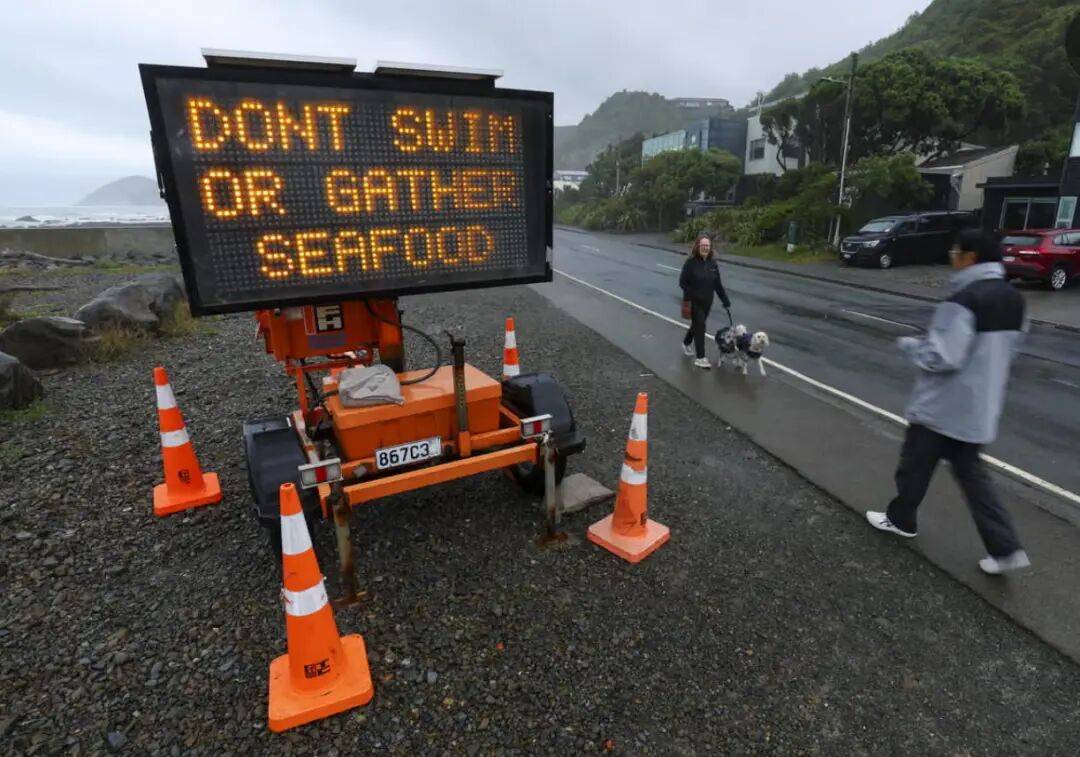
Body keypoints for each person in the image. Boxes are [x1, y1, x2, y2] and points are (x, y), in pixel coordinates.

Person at [866, 229, 1030, 575]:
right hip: (979, 408)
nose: (952, 257)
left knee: (914, 465)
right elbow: (1010, 352)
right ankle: (1005, 549)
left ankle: (902, 520)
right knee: (974, 479)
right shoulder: (1014, 300)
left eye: (956, 252)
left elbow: (943, 356)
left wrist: (911, 346)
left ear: (970, 257)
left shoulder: (963, 300)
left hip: (941, 406)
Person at [679, 235, 730, 369]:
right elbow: (682, 282)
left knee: (697, 325)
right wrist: (690, 295)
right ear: (698, 247)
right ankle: (700, 358)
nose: (705, 248)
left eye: (707, 245)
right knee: (700, 326)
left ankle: (686, 343)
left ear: (710, 247)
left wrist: (725, 300)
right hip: (694, 301)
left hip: (707, 301)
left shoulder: (713, 264)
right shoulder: (690, 263)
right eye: (703, 245)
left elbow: (718, 284)